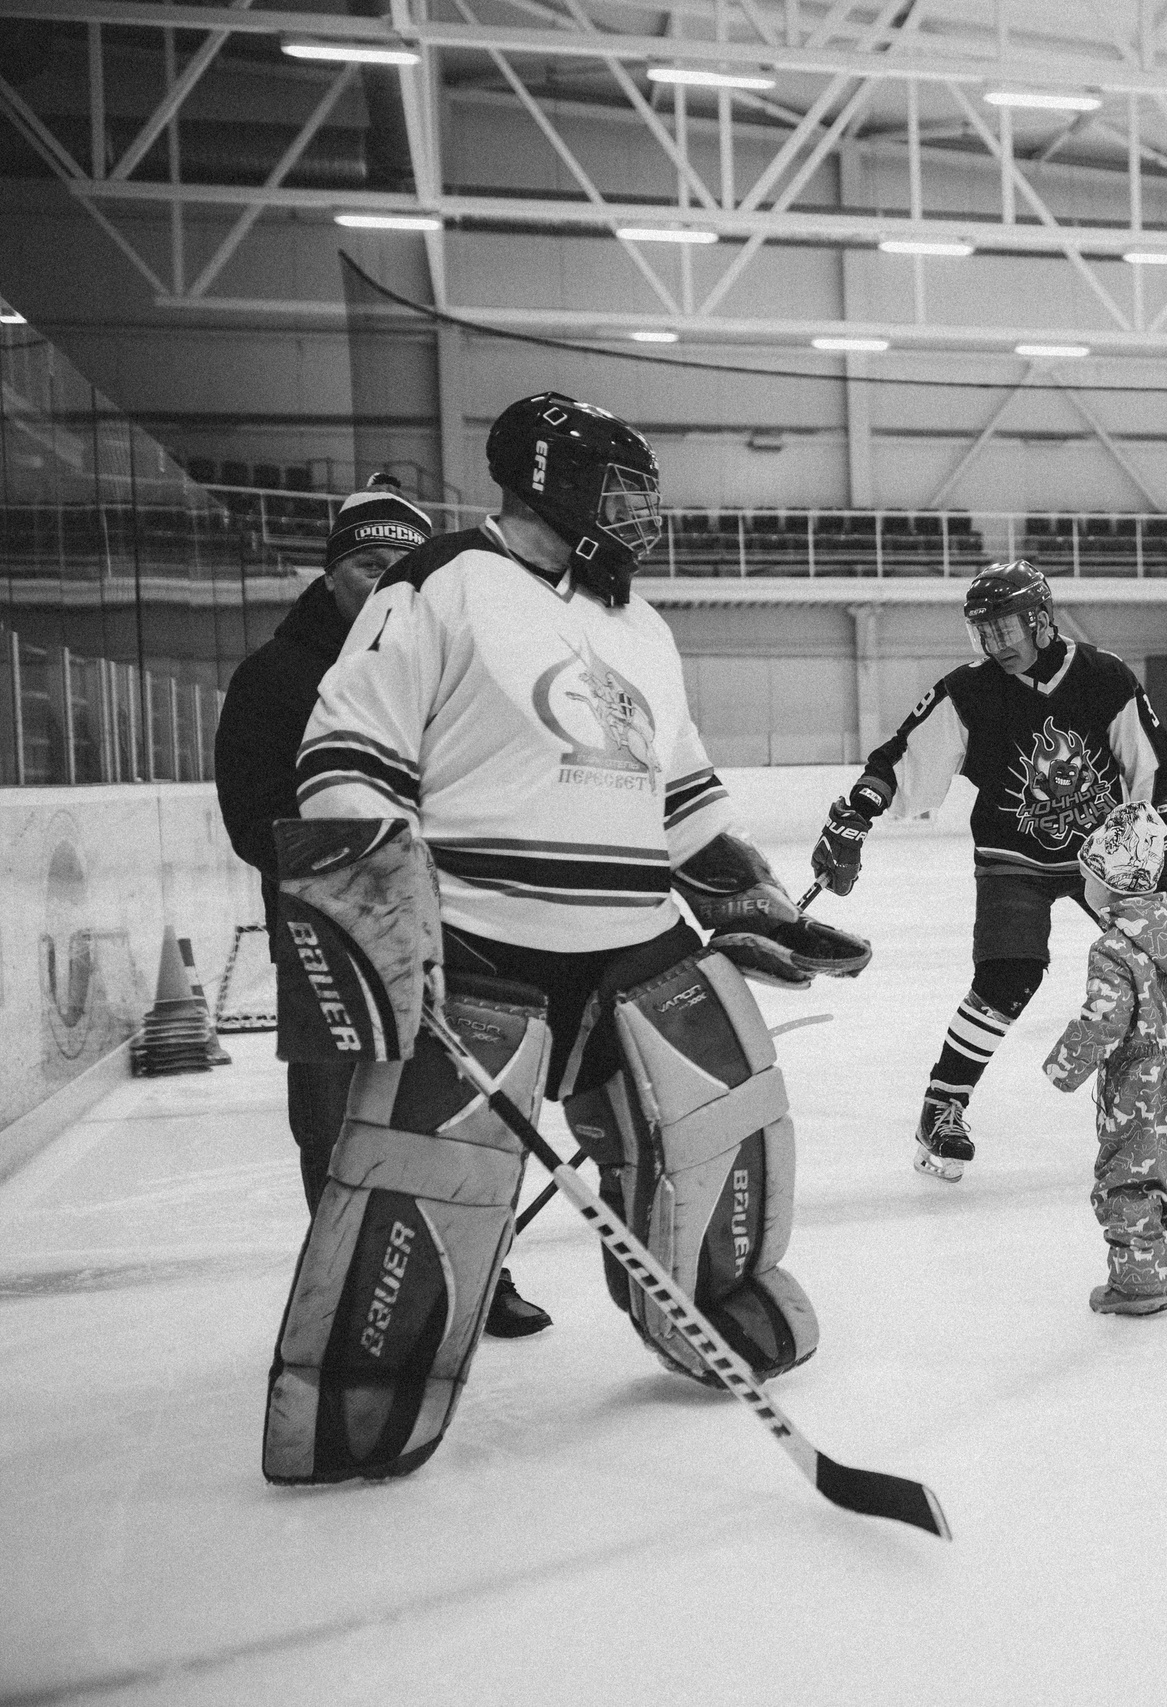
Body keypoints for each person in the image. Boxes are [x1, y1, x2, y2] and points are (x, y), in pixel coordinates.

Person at [260, 392, 869, 1486]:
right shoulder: (441, 582)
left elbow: (682, 802)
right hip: (483, 938)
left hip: (637, 940)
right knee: (428, 1170)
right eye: (621, 493)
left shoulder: (640, 626)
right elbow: (347, 759)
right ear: (550, 480)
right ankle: (363, 1381)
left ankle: (714, 1301)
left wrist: (754, 902)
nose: (641, 516)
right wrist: (386, 933)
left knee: (721, 1118)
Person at [213, 477, 553, 1338]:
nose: (384, 581)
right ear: (332, 572)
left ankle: (475, 1278)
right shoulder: (274, 677)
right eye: (369, 565)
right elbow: (253, 815)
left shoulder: (444, 662)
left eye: (401, 567)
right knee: (336, 1125)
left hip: (451, 930)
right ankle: (347, 1292)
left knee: (449, 1112)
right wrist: (361, 869)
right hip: (328, 935)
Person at [808, 561, 1167, 1183]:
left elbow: (1150, 764)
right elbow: (900, 758)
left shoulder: (1103, 676)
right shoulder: (970, 691)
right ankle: (942, 1109)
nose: (995, 644)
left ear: (1041, 621)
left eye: (1005, 628)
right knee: (1007, 977)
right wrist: (854, 815)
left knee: (1160, 965)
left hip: (1107, 851)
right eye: (983, 632)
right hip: (1011, 858)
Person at [1042, 802, 1167, 1316]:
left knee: (1131, 1179)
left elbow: (1106, 1018)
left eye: (1087, 876)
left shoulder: (1113, 947)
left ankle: (1138, 1284)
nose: (1083, 885)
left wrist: (1066, 1065)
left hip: (1142, 1084)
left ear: (1108, 884)